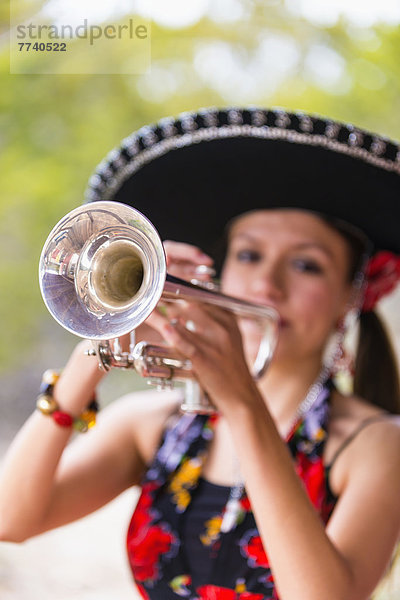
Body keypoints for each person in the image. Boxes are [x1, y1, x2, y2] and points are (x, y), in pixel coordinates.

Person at [1, 107, 400, 600]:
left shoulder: (376, 445)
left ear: (350, 295)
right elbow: (10, 520)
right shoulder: (157, 426)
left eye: (305, 265)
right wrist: (98, 346)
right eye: (249, 255)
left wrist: (242, 403)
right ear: (221, 272)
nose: (266, 285)